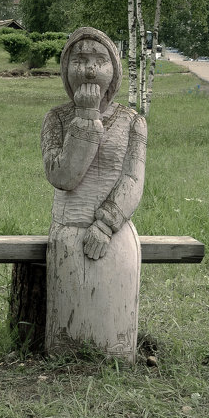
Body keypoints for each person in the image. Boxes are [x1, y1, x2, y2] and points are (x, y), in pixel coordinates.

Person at [41, 27, 147, 360]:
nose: (89, 69)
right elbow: (63, 177)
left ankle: (115, 354)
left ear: (114, 70)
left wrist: (106, 224)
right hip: (68, 232)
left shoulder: (132, 122)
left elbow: (133, 178)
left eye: (100, 60)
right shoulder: (56, 120)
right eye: (80, 59)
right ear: (65, 69)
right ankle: (66, 355)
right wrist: (86, 118)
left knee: (112, 325)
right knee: (69, 326)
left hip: (114, 236)